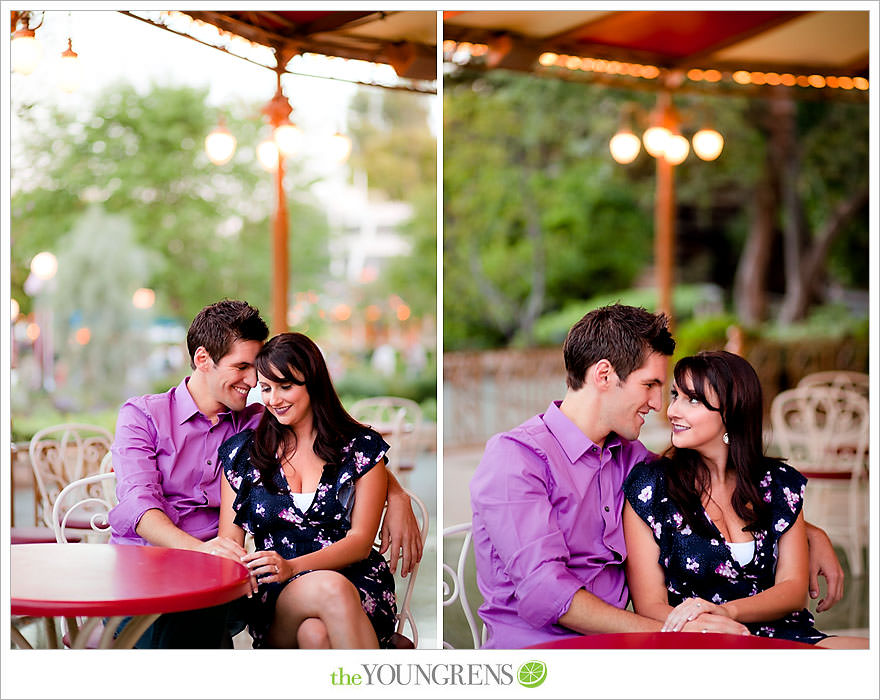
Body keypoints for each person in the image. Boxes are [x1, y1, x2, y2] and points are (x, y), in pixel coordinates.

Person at [470, 304, 844, 649]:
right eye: (650, 385)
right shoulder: (516, 459)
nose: (657, 404)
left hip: (627, 649)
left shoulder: (628, 458)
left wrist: (810, 532)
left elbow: (715, 488)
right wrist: (683, 633)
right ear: (604, 375)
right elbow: (545, 592)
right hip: (541, 655)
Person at [108, 299, 421, 648]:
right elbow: (138, 505)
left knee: (311, 634)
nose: (254, 381)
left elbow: (343, 445)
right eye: (242, 367)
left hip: (221, 584)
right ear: (202, 359)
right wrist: (202, 551)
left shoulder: (259, 422)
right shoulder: (144, 416)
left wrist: (396, 494)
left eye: (256, 369)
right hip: (148, 575)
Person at [623, 351, 867, 648]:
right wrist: (709, 626)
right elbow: (649, 604)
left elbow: (792, 590)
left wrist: (728, 612)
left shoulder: (778, 482)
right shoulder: (651, 487)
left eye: (693, 400)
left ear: (732, 412)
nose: (672, 410)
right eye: (676, 395)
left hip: (784, 637)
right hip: (698, 641)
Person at [218, 332, 396, 648]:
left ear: (313, 383)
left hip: (355, 581)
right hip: (277, 595)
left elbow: (360, 541)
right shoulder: (242, 454)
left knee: (316, 635)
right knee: (330, 589)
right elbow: (229, 545)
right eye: (267, 388)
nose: (274, 399)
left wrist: (294, 567)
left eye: (286, 386)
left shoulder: (360, 448)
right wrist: (254, 570)